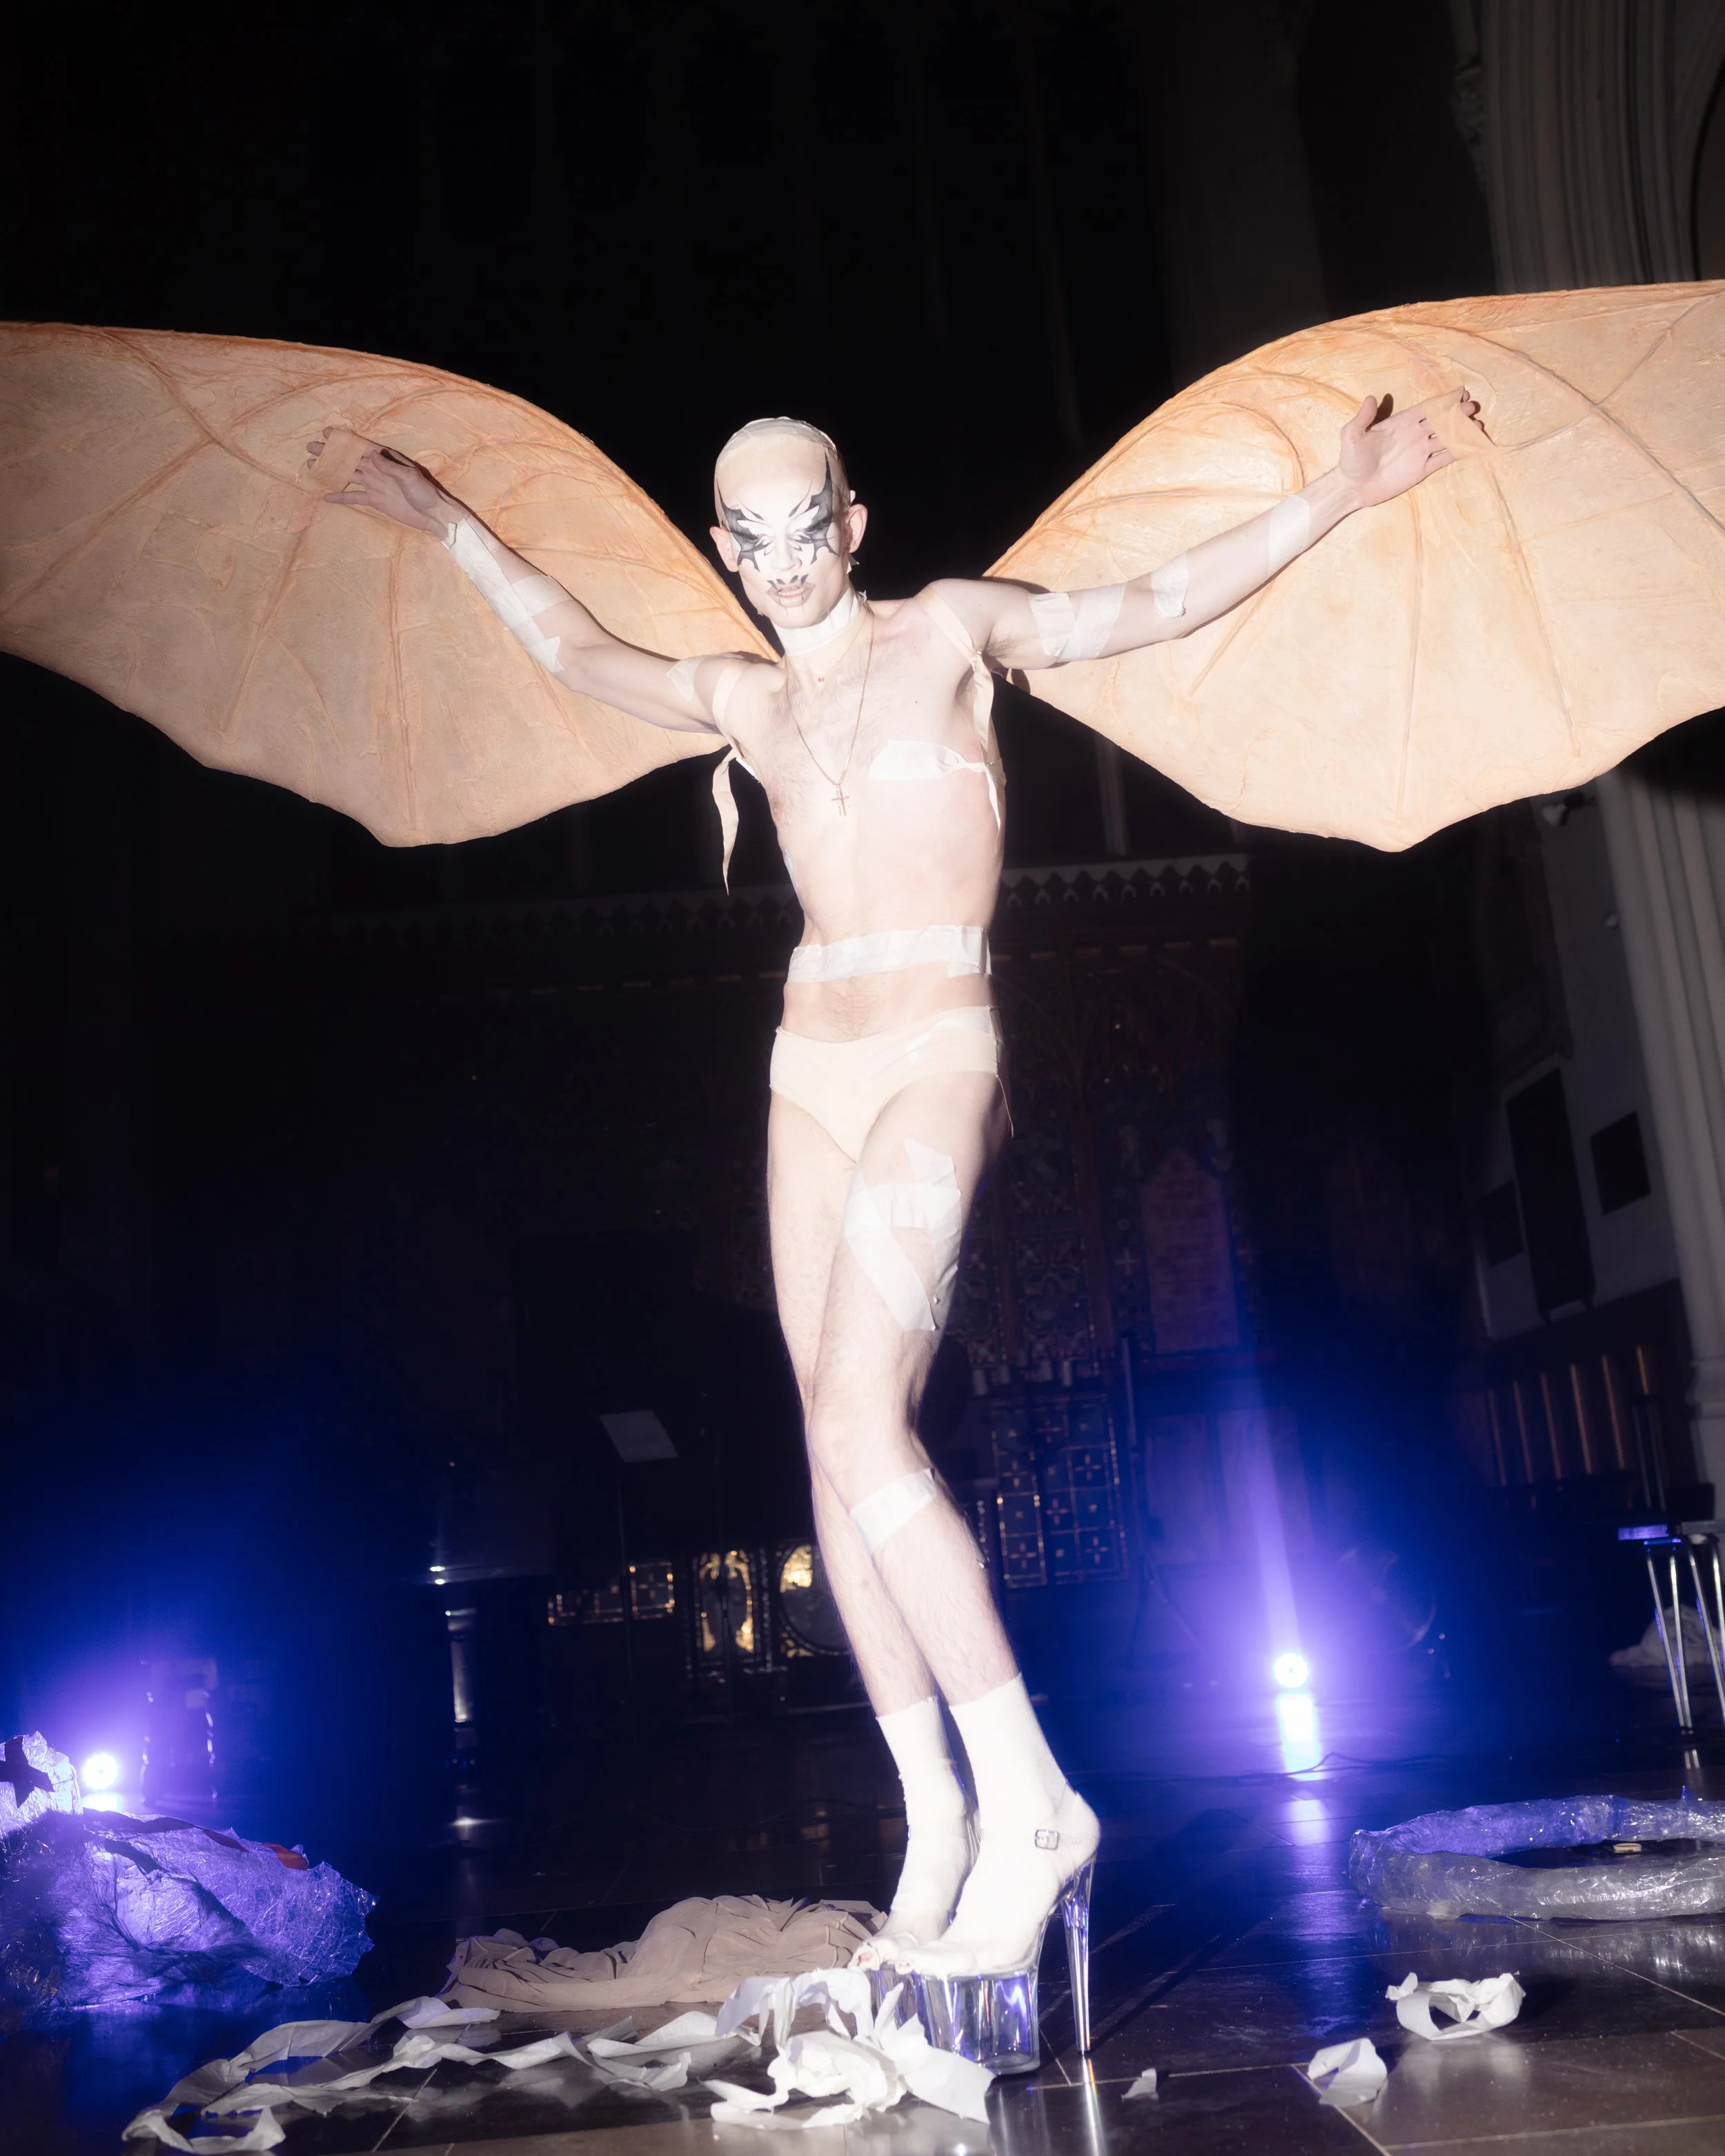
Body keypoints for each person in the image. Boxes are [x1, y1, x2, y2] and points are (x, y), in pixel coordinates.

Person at [316, 390, 1472, 1998]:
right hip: (807, 1063)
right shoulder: (743, 699)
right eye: (753, 540)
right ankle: (933, 1816)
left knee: (870, 1426)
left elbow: (1155, 598)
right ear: (722, 550)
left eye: (810, 528)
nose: (786, 562)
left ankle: (1036, 1802)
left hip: (937, 1038)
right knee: (824, 1450)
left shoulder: (947, 631)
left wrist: (1342, 489)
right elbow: (576, 650)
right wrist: (445, 522)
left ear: (850, 524)